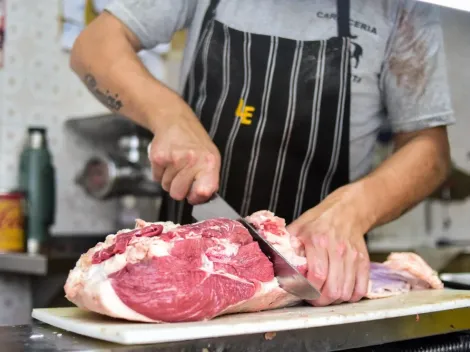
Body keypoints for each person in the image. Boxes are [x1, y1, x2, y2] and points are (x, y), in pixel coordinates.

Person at [70, 0, 454, 307]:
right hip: (187, 280)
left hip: (319, 284)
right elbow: (95, 47)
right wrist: (170, 117)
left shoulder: (403, 7)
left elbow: (430, 151)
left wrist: (356, 207)